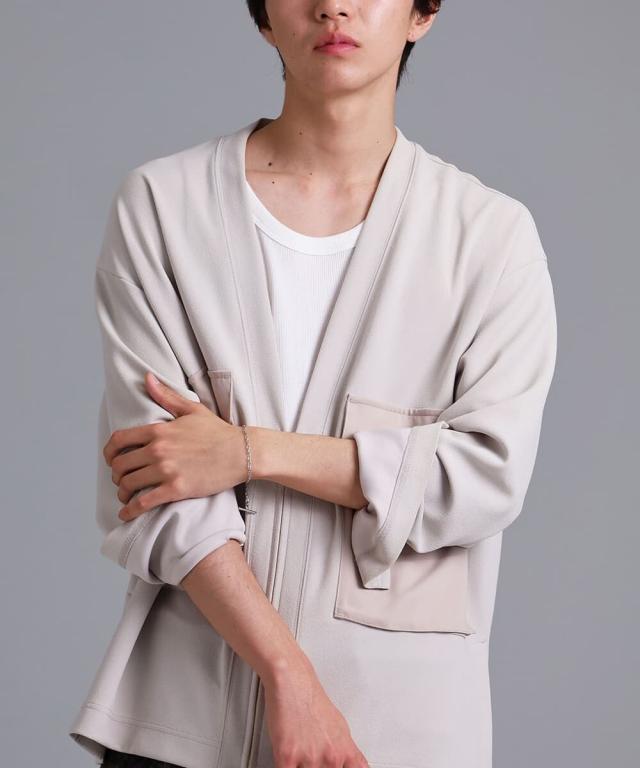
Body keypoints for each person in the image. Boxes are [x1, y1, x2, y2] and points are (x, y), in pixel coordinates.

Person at [68, 2, 558, 767]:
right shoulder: (164, 206)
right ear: (264, 18)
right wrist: (287, 674)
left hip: (391, 733)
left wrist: (248, 451)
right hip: (184, 722)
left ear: (423, 13)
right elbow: (160, 480)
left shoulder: (490, 239)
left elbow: (484, 476)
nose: (334, 6)